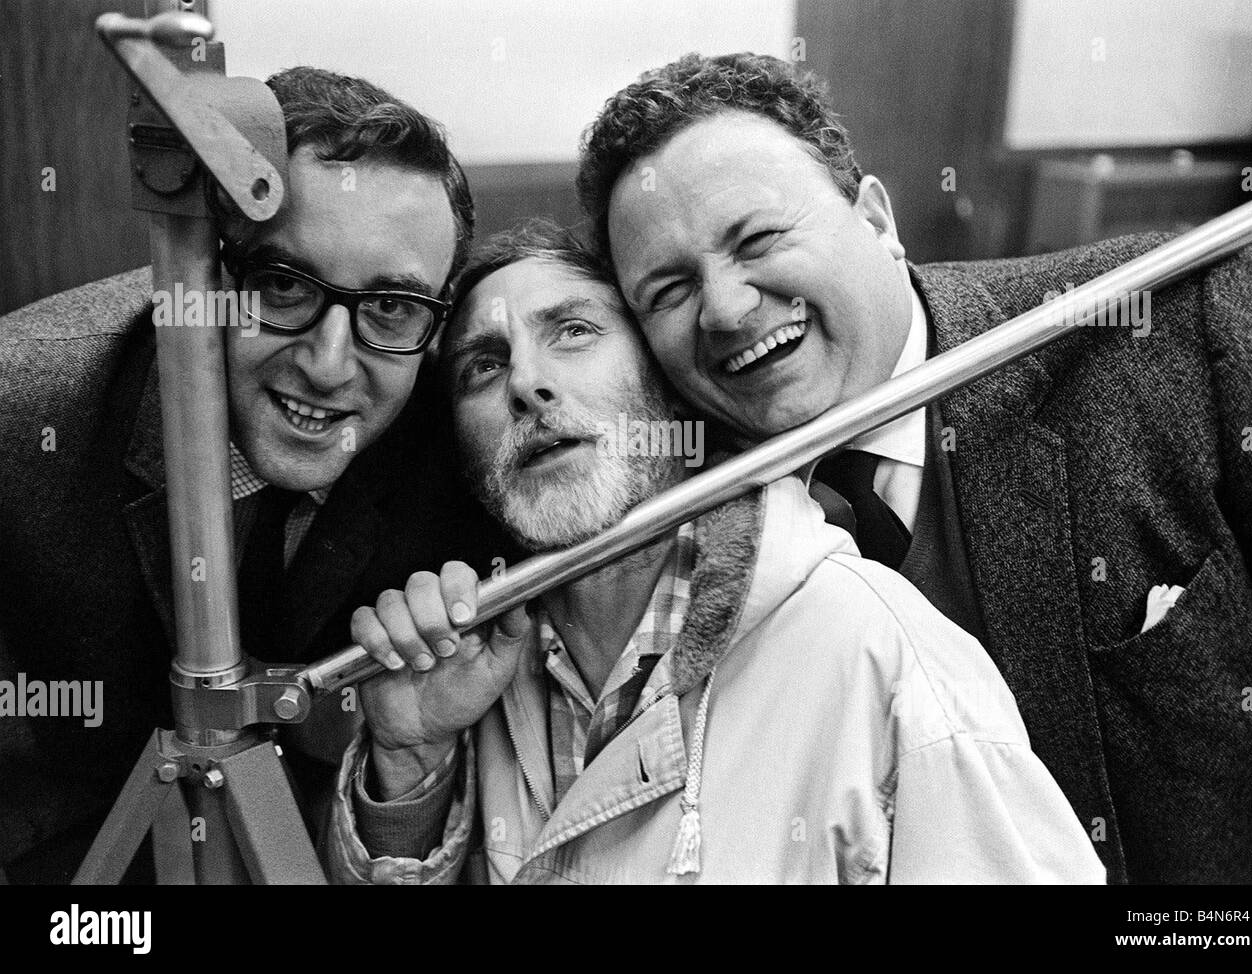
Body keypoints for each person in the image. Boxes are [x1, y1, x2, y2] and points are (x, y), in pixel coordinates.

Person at [575, 52, 1252, 884]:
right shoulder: (664, 515)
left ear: (877, 220)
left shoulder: (1184, 325)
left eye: (759, 239)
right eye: (668, 291)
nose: (728, 309)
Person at [324, 220, 1103, 884]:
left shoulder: (885, 658)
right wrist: (409, 763)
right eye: (483, 365)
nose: (527, 383)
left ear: (669, 383)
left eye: (574, 332)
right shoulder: (467, 677)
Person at [0, 67, 507, 883]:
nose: (330, 364)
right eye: (282, 285)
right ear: (208, 271)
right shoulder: (24, 418)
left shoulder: (458, 440)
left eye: (391, 307)